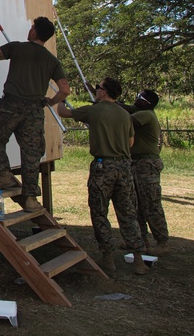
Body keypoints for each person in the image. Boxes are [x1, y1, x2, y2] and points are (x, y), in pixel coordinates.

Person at [56, 78, 149, 275]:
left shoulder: (93, 110)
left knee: (99, 212)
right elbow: (131, 142)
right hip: (124, 167)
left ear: (104, 92)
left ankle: (108, 257)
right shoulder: (125, 114)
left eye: (98, 88)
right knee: (128, 212)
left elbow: (63, 113)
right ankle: (139, 260)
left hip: (102, 166)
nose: (96, 90)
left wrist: (61, 97)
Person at [0, 16, 70, 213]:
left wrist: (8, 50)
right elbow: (65, 89)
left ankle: (4, 175)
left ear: (34, 32)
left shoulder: (18, 47)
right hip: (35, 110)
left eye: (32, 27)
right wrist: (51, 101)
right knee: (31, 154)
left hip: (11, 104)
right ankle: (30, 198)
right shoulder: (52, 60)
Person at [124, 89, 170, 254]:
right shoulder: (141, 111)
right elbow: (125, 108)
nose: (135, 99)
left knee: (151, 203)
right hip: (136, 162)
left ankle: (162, 242)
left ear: (146, 102)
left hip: (146, 164)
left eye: (139, 97)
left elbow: (125, 120)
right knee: (136, 205)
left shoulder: (146, 114)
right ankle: (140, 240)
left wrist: (107, 110)